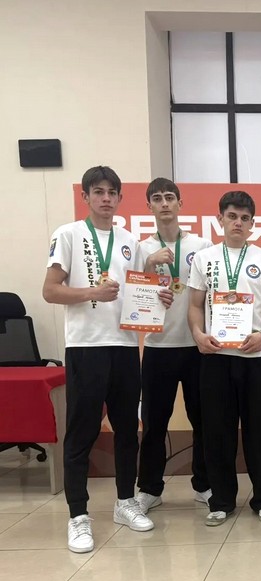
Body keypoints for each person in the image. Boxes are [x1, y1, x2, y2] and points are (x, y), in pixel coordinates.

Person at [43, 165, 172, 553]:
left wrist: (158, 299)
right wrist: (91, 293)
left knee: (127, 429)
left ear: (119, 198)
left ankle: (125, 501)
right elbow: (50, 290)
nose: (105, 198)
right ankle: (78, 515)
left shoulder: (130, 241)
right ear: (86, 197)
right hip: (85, 347)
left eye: (111, 192)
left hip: (125, 347)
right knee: (81, 432)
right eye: (97, 192)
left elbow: (138, 291)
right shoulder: (68, 234)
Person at [187, 190, 261, 526]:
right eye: (232, 216)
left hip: (256, 355)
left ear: (252, 223)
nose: (238, 223)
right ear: (220, 219)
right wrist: (198, 335)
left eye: (244, 218)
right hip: (216, 355)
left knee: (260, 430)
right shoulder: (204, 259)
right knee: (217, 431)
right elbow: (195, 305)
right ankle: (222, 500)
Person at [134, 178, 213, 514]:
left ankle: (204, 484)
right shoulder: (141, 248)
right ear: (149, 206)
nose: (164, 203)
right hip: (158, 346)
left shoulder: (202, 245)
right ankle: (150, 488)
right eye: (157, 198)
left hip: (196, 346)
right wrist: (149, 265)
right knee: (154, 422)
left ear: (180, 203)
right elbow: (133, 297)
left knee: (203, 420)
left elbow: (212, 292)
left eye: (169, 197)